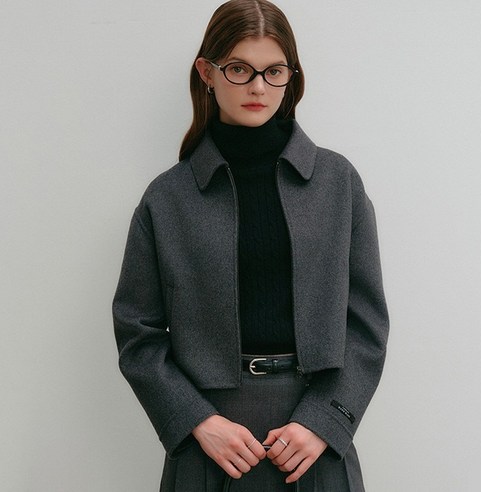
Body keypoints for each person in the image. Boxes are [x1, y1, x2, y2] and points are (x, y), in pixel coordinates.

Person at [112, 0, 389, 490]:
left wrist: (325, 421)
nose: (258, 87)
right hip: (210, 444)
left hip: (315, 442)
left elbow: (366, 324)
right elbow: (137, 332)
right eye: (239, 69)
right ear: (207, 72)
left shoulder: (338, 183)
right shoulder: (167, 197)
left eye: (274, 71)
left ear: (291, 78)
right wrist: (197, 421)